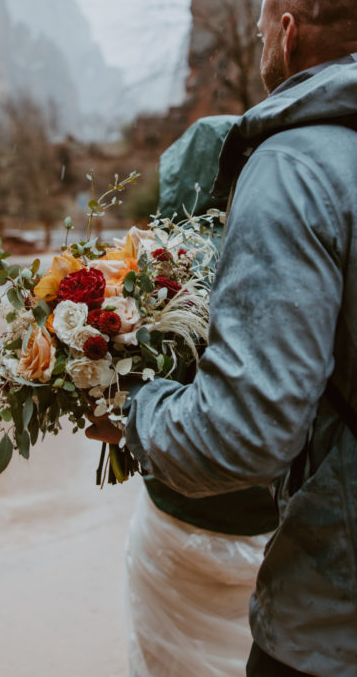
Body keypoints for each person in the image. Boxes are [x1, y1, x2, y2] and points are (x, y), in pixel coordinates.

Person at [88, 0, 357, 676]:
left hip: (344, 619)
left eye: (261, 28)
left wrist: (135, 412)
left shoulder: (295, 167)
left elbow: (244, 435)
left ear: (285, 33)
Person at [125, 115, 277, 677]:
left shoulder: (147, 278)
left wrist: (126, 417)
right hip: (270, 525)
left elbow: (123, 389)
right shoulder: (285, 263)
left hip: (175, 523)